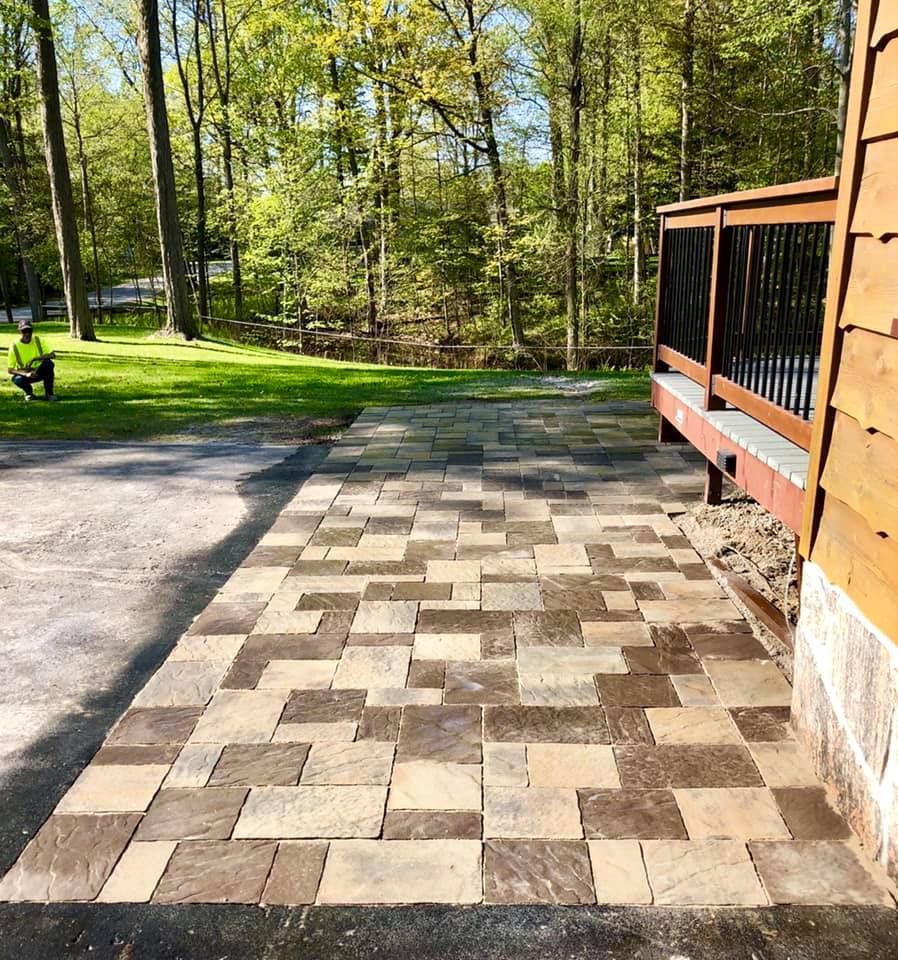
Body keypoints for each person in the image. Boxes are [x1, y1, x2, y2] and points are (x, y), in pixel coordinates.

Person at [7, 319, 57, 401]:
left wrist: (35, 359)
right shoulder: (14, 346)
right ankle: (29, 393)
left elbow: (52, 355)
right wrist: (26, 374)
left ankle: (49, 394)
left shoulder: (38, 340)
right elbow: (10, 370)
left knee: (49, 364)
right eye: (24, 331)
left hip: (40, 371)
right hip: (26, 374)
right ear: (19, 332)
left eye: (30, 331)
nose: (27, 334)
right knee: (17, 379)